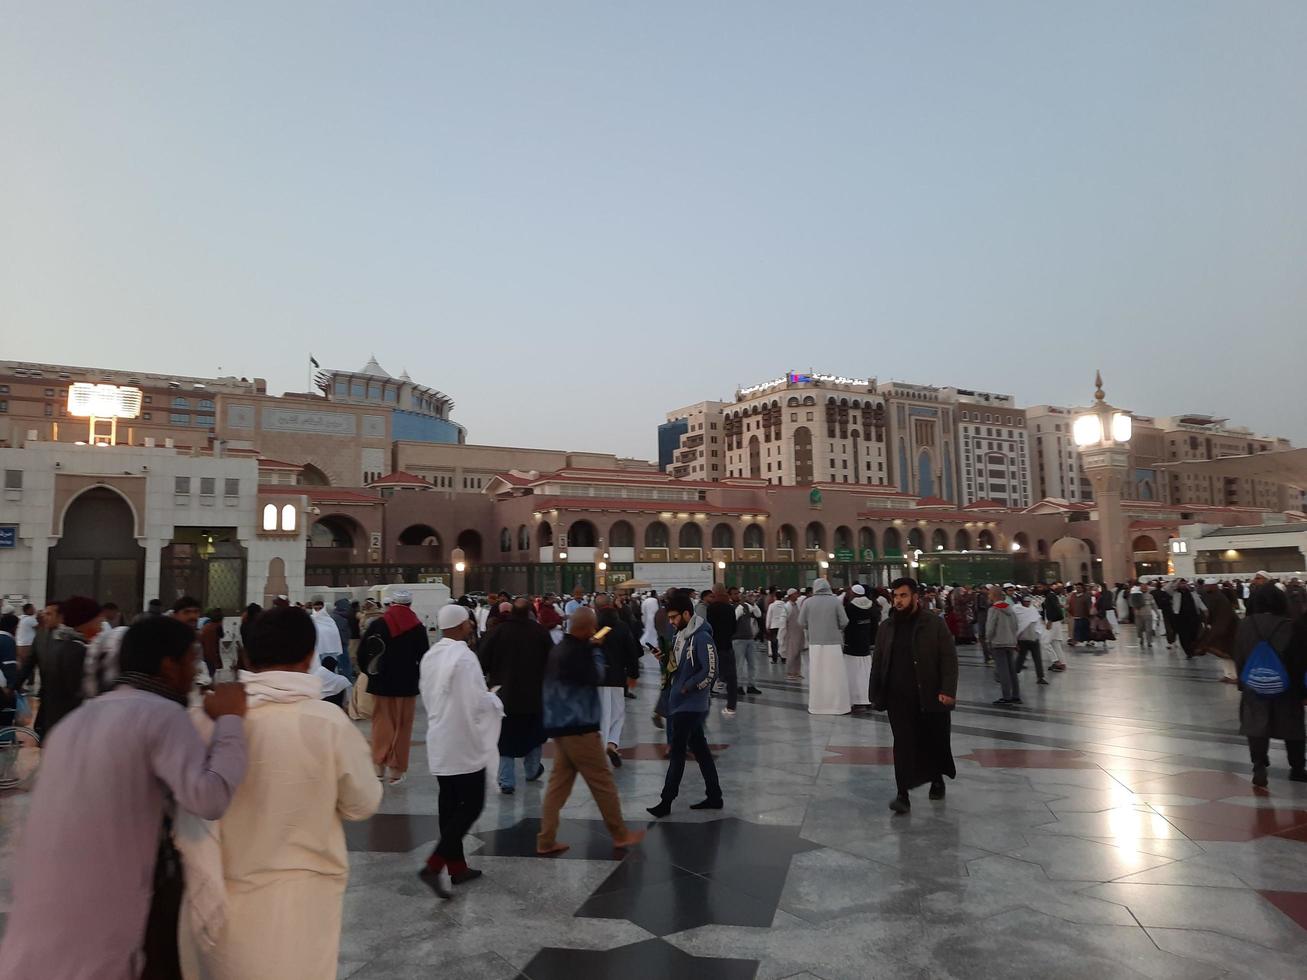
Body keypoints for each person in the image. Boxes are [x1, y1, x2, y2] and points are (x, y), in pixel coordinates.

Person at [0, 616, 248, 980]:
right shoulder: (162, 715)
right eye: (191, 660)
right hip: (118, 910)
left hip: (48, 906)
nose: (195, 671)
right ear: (168, 665)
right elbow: (207, 798)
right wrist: (230, 723)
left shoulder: (75, 721)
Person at [178, 606, 381, 979]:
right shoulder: (326, 722)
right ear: (309, 657)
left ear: (248, 656)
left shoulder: (210, 717)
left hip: (220, 898)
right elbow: (362, 803)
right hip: (303, 901)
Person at [536, 607, 644, 856]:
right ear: (585, 629)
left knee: (557, 786)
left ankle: (546, 840)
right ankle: (620, 834)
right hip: (580, 729)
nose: (595, 631)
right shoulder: (578, 652)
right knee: (602, 782)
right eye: (592, 627)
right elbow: (597, 674)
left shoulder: (560, 648)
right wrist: (595, 648)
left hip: (561, 728)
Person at [417, 604, 504, 898]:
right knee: (472, 804)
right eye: (467, 622)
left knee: (449, 805)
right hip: (462, 742)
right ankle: (434, 865)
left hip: (439, 738)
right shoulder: (464, 658)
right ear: (459, 625)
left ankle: (456, 868)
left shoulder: (432, 655)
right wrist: (495, 701)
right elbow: (475, 701)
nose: (471, 626)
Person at [871, 578, 959, 814]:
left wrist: (947, 690)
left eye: (903, 596)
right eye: (896, 596)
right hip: (897, 698)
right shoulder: (887, 627)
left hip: (929, 694)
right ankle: (902, 794)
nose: (898, 601)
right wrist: (876, 692)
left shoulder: (933, 624)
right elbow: (879, 661)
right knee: (903, 744)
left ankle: (937, 779)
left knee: (934, 739)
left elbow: (948, 657)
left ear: (915, 597)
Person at [647, 591, 723, 817]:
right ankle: (714, 796)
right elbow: (677, 665)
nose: (670, 622)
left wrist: (688, 686)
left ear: (687, 614)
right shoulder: (681, 635)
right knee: (700, 750)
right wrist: (664, 658)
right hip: (680, 703)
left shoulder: (701, 637)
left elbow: (711, 671)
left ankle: (666, 801)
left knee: (678, 753)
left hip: (691, 706)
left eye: (673, 617)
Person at [1232, 584, 1306, 787]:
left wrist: (1243, 682)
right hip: (1286, 686)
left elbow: (1239, 655)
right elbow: (1300, 659)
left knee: (1256, 726)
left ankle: (1259, 765)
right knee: (1293, 727)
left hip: (1254, 684)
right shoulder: (1291, 625)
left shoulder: (1245, 625)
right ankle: (1297, 767)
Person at [478, 596, 552, 794]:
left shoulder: (498, 632)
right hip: (534, 695)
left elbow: (482, 661)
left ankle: (506, 780)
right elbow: (552, 663)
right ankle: (532, 770)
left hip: (504, 696)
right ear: (530, 612)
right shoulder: (540, 632)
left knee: (505, 739)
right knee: (534, 735)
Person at [359, 590, 428, 785]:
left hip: (381, 684)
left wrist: (370, 673)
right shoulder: (417, 627)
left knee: (381, 724)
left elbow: (364, 652)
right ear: (409, 605)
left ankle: (379, 767)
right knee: (402, 726)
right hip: (406, 685)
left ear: (392, 604)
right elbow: (424, 657)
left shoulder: (378, 625)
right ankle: (396, 771)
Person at [32, 596, 101, 738]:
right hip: (70, 728)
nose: (101, 624)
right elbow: (77, 694)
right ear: (86, 621)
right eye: (98, 619)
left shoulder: (60, 645)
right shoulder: (76, 650)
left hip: (58, 725)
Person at [594, 593, 642, 767]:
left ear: (596, 608)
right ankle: (611, 744)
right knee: (617, 714)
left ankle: (603, 748)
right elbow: (632, 652)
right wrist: (633, 674)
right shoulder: (621, 626)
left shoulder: (594, 626)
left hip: (597, 679)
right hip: (617, 678)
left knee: (601, 715)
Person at [798, 578, 851, 715]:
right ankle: (838, 706)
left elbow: (801, 622)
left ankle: (818, 706)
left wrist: (813, 626)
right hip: (833, 643)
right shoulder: (835, 601)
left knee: (818, 675)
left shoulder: (808, 602)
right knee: (835, 675)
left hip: (815, 643)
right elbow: (844, 621)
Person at [703, 583, 740, 717]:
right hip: (727, 646)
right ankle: (731, 707)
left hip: (714, 647)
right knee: (732, 678)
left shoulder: (711, 608)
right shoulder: (730, 608)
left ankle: (704, 707)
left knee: (708, 677)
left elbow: (709, 628)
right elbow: (734, 628)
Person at [842, 585, 878, 712]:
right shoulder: (872, 605)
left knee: (854, 674)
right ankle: (869, 698)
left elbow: (846, 625)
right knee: (866, 673)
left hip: (852, 646)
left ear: (854, 593)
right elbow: (875, 624)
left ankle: (857, 700)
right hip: (866, 644)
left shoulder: (850, 607)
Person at [984, 587, 1022, 705]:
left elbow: (990, 627)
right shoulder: (1009, 608)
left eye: (990, 594)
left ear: (994, 596)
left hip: (998, 643)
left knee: (1003, 671)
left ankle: (1006, 696)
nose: (988, 596)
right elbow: (1016, 625)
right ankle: (1016, 695)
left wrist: (988, 639)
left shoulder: (994, 609)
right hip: (1010, 642)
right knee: (1012, 670)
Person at [200, 607, 225, 678]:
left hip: (206, 657)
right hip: (208, 658)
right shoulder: (212, 629)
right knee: (209, 677)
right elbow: (210, 648)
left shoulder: (208, 626)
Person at [767, 587, 789, 665]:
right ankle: (784, 658)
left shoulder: (772, 606)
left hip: (773, 626)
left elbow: (769, 616)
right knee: (783, 642)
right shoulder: (785, 605)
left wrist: (767, 626)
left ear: (775, 597)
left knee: (774, 643)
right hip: (782, 625)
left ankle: (774, 659)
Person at [15, 602, 37, 667]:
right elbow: (41, 628)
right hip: (27, 645)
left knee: (21, 664)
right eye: (33, 608)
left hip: (19, 644)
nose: (35, 610)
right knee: (29, 665)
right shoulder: (30, 619)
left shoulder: (19, 618)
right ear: (28, 610)